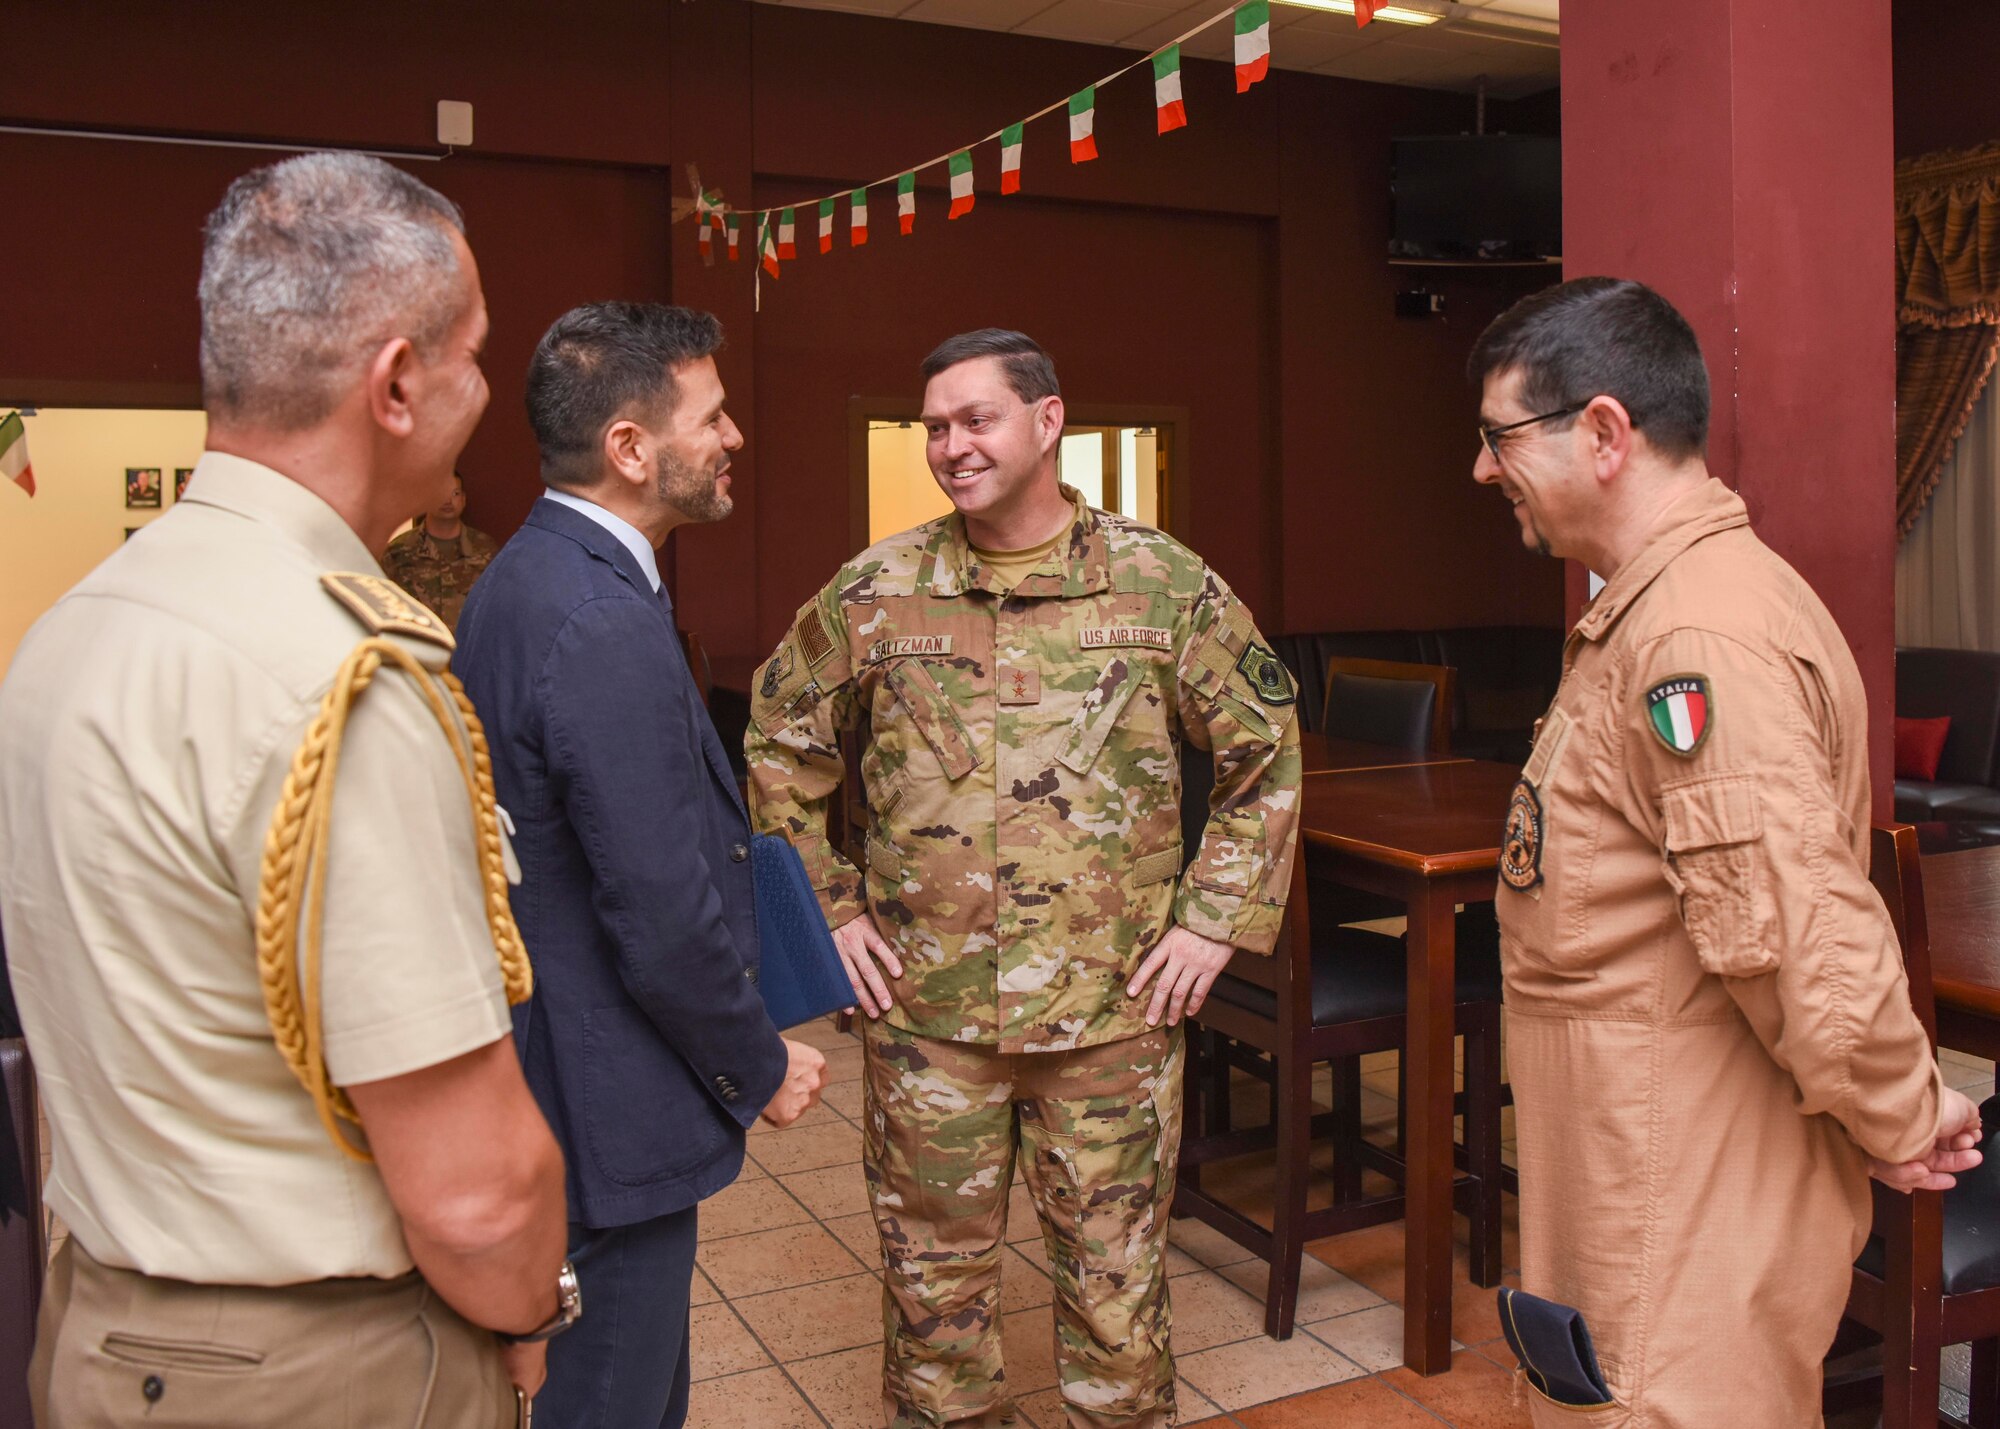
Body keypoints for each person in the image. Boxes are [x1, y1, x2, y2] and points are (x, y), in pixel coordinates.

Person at [0, 153, 572, 1426]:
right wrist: (531, 1316)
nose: (487, 394)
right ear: (397, 383)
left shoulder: (73, 627)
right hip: (315, 1370)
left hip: (103, 1328)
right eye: (476, 357)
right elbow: (476, 1197)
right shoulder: (339, 677)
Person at [746, 329, 1302, 1429]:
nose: (951, 445)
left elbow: (1263, 748)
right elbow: (777, 741)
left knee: (1116, 1283)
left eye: (976, 418)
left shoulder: (1160, 581)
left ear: (1047, 421)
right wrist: (827, 907)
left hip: (1111, 1012)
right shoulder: (878, 589)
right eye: (935, 427)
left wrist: (1212, 921)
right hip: (927, 1013)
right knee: (930, 1283)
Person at [1470, 276, 1983, 1427]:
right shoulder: (1654, 612)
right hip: (1642, 1160)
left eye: (1499, 438)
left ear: (1603, 432)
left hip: (1680, 1182)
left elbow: (1790, 919)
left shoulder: (1694, 633)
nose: (1482, 469)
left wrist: (1896, 1109)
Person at [454, 301, 827, 1429]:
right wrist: (756, 1062)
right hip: (603, 1106)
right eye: (710, 416)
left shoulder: (531, 577)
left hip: (559, 1085)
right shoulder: (594, 615)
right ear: (630, 447)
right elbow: (658, 911)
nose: (733, 438)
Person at [384, 468, 498, 631]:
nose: (448, 500)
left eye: (455, 493)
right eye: (441, 492)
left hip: (467, 653)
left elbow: (497, 607)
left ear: (463, 500)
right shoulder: (398, 552)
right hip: (418, 651)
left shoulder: (486, 549)